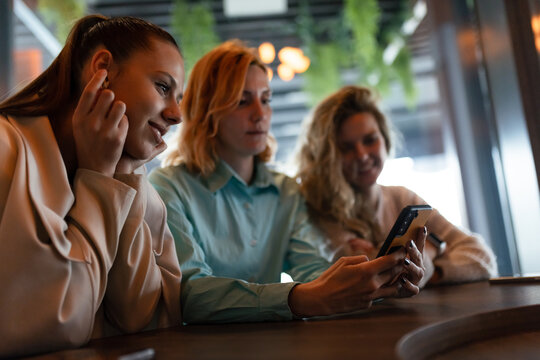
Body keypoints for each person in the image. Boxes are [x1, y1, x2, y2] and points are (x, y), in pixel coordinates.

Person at [149, 40, 426, 324]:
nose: (260, 114)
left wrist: (374, 280)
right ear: (206, 111)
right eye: (243, 101)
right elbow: (189, 294)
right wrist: (299, 298)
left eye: (266, 99)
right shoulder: (168, 188)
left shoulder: (286, 191)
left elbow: (312, 271)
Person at [0, 15, 184, 357]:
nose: (176, 114)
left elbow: (144, 319)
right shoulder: (7, 150)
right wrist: (98, 175)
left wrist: (122, 173)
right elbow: (59, 322)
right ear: (103, 68)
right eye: (163, 87)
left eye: (180, 98)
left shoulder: (145, 193)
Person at [296, 85, 497, 287]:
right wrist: (433, 251)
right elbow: (369, 279)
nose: (362, 155)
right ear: (326, 156)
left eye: (370, 140)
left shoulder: (402, 198)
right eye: (346, 147)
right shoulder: (319, 211)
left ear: (385, 139)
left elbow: (481, 257)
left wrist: (428, 268)